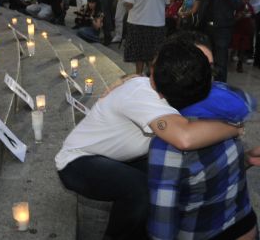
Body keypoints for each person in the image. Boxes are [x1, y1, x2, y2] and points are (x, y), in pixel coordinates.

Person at [55, 41, 244, 239]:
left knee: (173, 178)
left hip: (121, 159)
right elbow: (185, 138)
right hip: (78, 161)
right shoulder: (143, 93)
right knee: (139, 190)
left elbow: (233, 101)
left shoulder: (175, 88)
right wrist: (235, 128)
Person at [148, 40, 258, 240]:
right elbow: (214, 179)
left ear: (156, 86)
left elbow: (162, 227)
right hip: (245, 227)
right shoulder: (227, 112)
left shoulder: (167, 146)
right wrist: (247, 157)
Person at [194, 0, 243, 82]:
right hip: (205, 26)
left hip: (222, 28)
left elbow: (238, 4)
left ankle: (220, 88)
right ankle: (204, 86)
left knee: (220, 62)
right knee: (204, 59)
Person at [123, 0, 170, 75]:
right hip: (157, 23)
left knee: (138, 55)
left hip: (137, 21)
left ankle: (138, 75)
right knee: (153, 55)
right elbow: (167, 2)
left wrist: (129, 10)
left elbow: (128, 2)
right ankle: (153, 79)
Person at [231, 0, 255, 72]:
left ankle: (239, 64)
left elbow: (252, 19)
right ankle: (231, 57)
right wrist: (241, 15)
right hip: (236, 30)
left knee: (242, 48)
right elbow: (234, 19)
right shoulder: (237, 6)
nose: (245, 1)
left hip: (246, 31)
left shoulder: (250, 7)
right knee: (233, 46)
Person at [243, 0, 260, 67]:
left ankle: (252, 55)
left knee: (255, 33)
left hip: (257, 11)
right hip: (244, 10)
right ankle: (244, 53)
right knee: (245, 32)